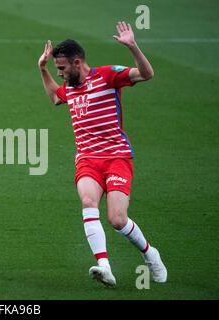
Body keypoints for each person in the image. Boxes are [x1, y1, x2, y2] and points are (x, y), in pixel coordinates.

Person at [38, 22, 166, 286]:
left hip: (117, 157)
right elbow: (54, 97)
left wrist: (132, 46)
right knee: (88, 201)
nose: (59, 74)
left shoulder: (107, 76)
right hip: (87, 159)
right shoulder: (70, 89)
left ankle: (150, 253)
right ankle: (104, 265)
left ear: (77, 63)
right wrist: (42, 69)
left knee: (117, 220)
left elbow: (147, 74)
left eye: (61, 68)